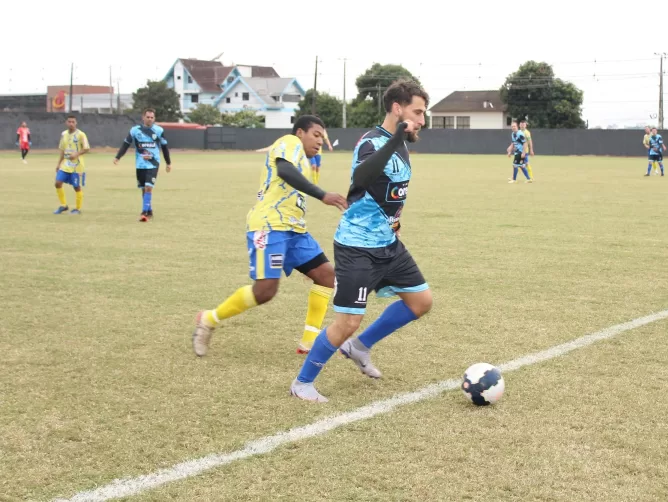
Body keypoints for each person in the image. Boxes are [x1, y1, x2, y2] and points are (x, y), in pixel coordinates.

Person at [290, 80, 433, 403]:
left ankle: (359, 347)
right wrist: (398, 135)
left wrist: (394, 219)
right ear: (398, 109)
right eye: (418, 112)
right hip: (357, 246)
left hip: (388, 243)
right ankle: (302, 382)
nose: (423, 120)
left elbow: (388, 191)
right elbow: (363, 178)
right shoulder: (372, 141)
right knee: (348, 321)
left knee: (421, 302)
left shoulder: (401, 143)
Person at [192, 115, 348, 357]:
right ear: (300, 133)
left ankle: (309, 343)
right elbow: (285, 170)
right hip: (269, 225)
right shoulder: (289, 141)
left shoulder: (309, 160)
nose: (319, 141)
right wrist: (322, 195)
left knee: (327, 276)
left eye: (322, 137)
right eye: (315, 134)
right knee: (265, 291)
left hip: (295, 230)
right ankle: (208, 319)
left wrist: (317, 161)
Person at [113, 108, 172, 222]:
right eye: (148, 117)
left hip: (153, 164)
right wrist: (118, 157)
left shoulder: (159, 130)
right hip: (140, 165)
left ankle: (144, 212)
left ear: (154, 118)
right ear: (143, 117)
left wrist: (168, 163)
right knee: (143, 189)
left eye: (152, 117)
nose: (150, 119)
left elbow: (164, 147)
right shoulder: (135, 130)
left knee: (148, 187)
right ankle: (149, 211)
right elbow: (126, 144)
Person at [54, 115, 90, 215]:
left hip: (77, 166)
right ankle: (63, 205)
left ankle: (77, 209)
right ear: (66, 122)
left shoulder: (81, 134)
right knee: (57, 183)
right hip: (65, 164)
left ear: (76, 123)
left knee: (76, 187)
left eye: (73, 122)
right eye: (69, 122)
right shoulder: (64, 134)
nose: (71, 124)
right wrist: (58, 164)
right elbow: (62, 150)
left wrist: (76, 154)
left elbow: (86, 148)